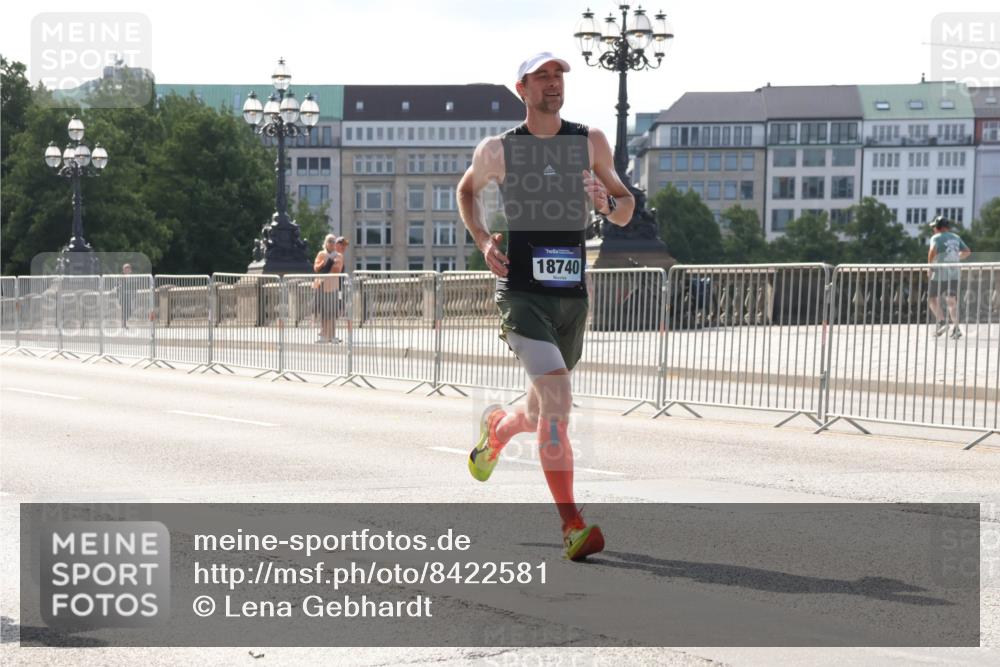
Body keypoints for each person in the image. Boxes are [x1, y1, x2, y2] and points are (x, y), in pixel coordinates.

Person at [457, 51, 635, 561]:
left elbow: (625, 210)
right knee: (558, 404)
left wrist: (605, 203)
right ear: (522, 88)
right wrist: (484, 239)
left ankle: (497, 430)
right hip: (522, 294)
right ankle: (572, 524)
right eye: (542, 76)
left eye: (558, 75)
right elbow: (466, 192)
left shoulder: (589, 141)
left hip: (571, 299)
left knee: (540, 414)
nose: (553, 83)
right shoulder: (499, 150)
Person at [927, 216, 971, 340]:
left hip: (940, 273)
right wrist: (955, 257)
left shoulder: (936, 237)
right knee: (951, 301)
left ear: (938, 227)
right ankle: (956, 329)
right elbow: (967, 251)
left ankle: (942, 322)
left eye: (934, 227)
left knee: (931, 299)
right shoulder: (956, 237)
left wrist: (930, 267)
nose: (933, 229)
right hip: (954, 273)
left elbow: (932, 251)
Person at [313, 234, 345, 343]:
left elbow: (337, 269)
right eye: (329, 241)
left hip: (332, 286)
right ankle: (324, 334)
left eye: (333, 241)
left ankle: (332, 335)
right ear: (325, 243)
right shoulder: (321, 254)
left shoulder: (339, 256)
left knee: (332, 312)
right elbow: (316, 268)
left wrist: (328, 264)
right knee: (323, 312)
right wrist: (325, 262)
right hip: (321, 285)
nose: (331, 243)